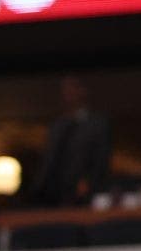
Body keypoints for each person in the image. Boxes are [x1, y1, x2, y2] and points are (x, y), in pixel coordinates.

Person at [38, 80, 113, 209]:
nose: (67, 94)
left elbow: (101, 160)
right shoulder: (57, 126)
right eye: (64, 90)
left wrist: (88, 183)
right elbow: (49, 161)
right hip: (54, 195)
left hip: (85, 196)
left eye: (71, 89)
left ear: (82, 91)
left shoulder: (97, 124)